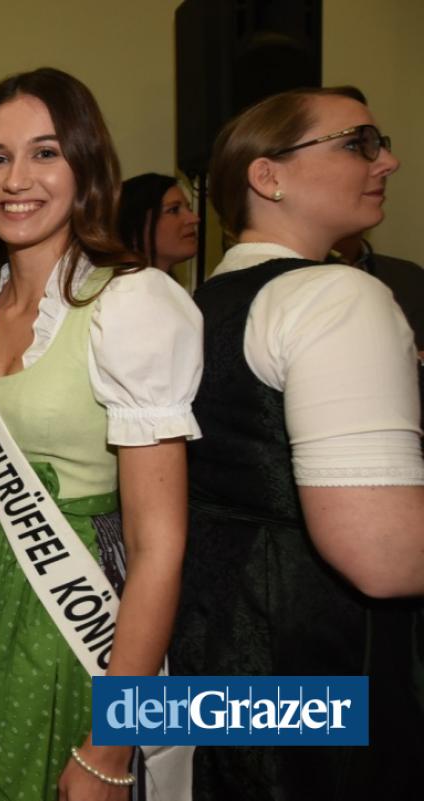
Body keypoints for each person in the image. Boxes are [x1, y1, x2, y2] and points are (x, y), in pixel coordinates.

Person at [0, 69, 203, 801]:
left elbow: (159, 547)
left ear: (86, 167)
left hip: (75, 617)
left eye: (45, 153)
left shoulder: (131, 305)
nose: (16, 179)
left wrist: (109, 749)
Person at [169, 87, 424, 801]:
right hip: (321, 662)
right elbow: (380, 554)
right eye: (359, 143)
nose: (387, 161)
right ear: (268, 175)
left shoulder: (191, 308)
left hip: (203, 648)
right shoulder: (337, 296)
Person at [117, 173, 199, 273]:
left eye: (189, 209)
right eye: (173, 210)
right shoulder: (126, 282)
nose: (194, 219)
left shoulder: (159, 281)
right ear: (133, 226)